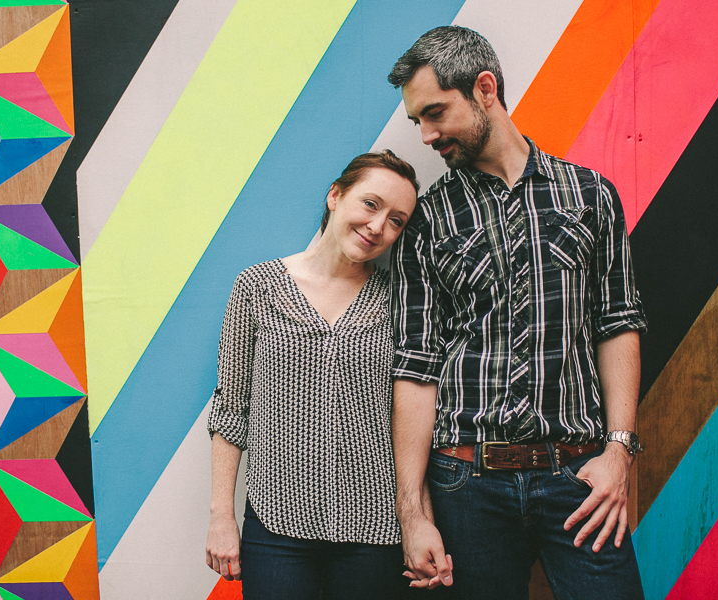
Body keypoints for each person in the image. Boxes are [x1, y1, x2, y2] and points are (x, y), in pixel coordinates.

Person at [387, 26, 648, 599]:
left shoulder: (590, 197)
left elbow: (617, 323)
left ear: (485, 89)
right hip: (465, 484)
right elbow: (415, 367)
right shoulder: (427, 221)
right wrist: (413, 511)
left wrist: (618, 452)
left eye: (435, 113)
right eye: (417, 123)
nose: (427, 135)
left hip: (579, 478)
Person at [205, 150, 419, 599]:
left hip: (375, 531)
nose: (379, 227)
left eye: (397, 220)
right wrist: (220, 517)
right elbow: (230, 412)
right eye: (371, 204)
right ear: (335, 196)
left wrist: (419, 519)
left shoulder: (398, 302)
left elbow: (412, 418)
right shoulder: (257, 287)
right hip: (275, 525)